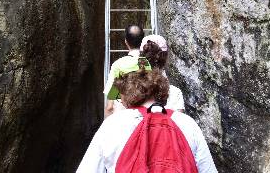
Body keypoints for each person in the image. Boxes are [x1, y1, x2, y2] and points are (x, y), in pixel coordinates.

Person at [76, 69, 218, 173]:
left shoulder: (113, 125)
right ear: (161, 93)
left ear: (127, 97)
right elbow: (207, 169)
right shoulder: (187, 123)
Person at [104, 25, 144, 117]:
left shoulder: (118, 65)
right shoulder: (146, 63)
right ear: (142, 41)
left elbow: (110, 103)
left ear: (126, 41)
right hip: (144, 114)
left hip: (122, 114)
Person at [140, 34, 185, 111]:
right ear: (166, 58)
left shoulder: (131, 89)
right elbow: (179, 121)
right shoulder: (175, 93)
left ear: (141, 58)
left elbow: (112, 106)